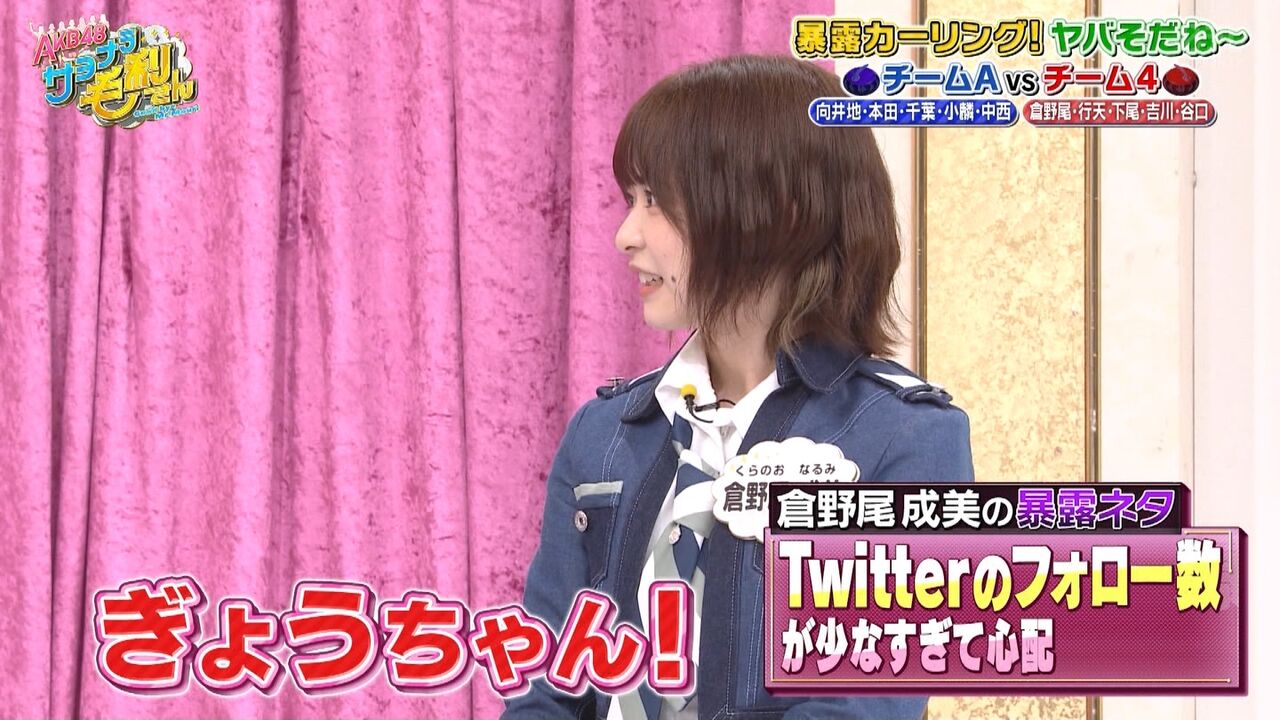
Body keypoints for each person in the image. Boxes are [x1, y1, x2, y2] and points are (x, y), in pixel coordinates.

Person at [503, 54, 974, 720]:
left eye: (656, 201)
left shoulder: (906, 438)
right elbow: (546, 689)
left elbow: (858, 705)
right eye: (631, 200)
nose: (625, 235)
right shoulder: (602, 435)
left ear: (776, 212)